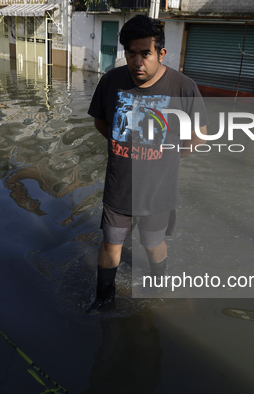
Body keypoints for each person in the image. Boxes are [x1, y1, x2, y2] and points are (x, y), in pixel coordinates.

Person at [87, 15, 207, 311]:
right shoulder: (111, 81)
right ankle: (103, 300)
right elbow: (101, 123)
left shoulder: (182, 86)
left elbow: (201, 135)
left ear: (160, 53)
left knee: (153, 246)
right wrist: (123, 147)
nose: (138, 61)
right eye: (131, 53)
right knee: (110, 246)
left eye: (146, 53)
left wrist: (168, 156)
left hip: (159, 192)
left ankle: (157, 289)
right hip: (120, 189)